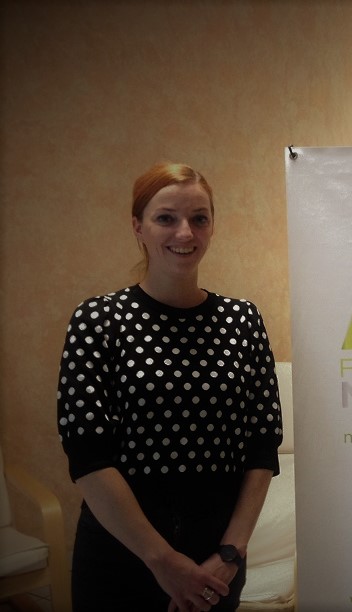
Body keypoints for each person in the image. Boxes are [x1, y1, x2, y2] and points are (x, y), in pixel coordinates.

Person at [57, 162, 283, 611]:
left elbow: (262, 446)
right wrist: (161, 560)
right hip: (122, 555)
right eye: (166, 218)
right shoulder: (98, 320)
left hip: (216, 559)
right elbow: (87, 455)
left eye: (199, 218)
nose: (185, 232)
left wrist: (231, 553)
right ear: (137, 226)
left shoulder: (242, 320)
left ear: (212, 226)